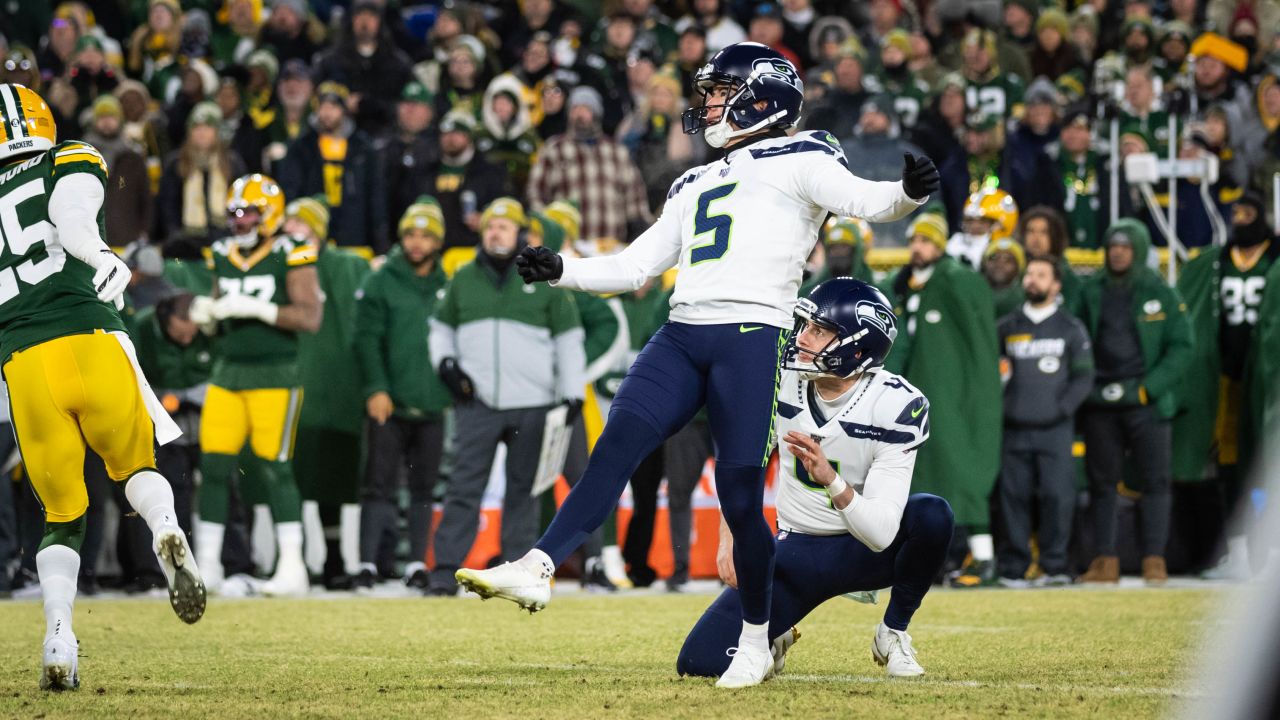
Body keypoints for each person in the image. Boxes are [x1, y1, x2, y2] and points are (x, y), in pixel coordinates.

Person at [456, 43, 935, 689]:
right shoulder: (693, 180)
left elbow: (867, 201)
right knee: (617, 442)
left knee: (740, 497)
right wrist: (565, 270)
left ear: (760, 95)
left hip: (752, 332)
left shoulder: (804, 156)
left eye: (718, 89)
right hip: (683, 330)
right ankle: (538, 564)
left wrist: (907, 192)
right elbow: (634, 266)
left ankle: (756, 641)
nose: (706, 101)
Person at [0, 82, 203, 691]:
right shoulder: (70, 155)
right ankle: (167, 529)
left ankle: (59, 638)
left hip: (23, 363)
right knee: (135, 466)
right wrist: (99, 255)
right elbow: (73, 219)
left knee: (62, 515)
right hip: (88, 334)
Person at [676, 279, 953, 679]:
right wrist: (729, 536)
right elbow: (741, 462)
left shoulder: (896, 403)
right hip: (796, 551)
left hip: (865, 550)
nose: (802, 338)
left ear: (858, 346)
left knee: (931, 515)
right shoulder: (782, 380)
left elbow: (880, 533)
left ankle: (892, 633)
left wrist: (831, 481)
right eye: (805, 326)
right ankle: (777, 634)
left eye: (818, 330)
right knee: (700, 662)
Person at [427, 197, 587, 597]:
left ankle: (518, 571)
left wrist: (571, 393)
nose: (496, 232)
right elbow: (440, 329)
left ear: (520, 233)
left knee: (523, 493)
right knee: (463, 486)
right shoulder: (462, 277)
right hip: (476, 401)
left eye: (504, 226)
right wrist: (446, 363)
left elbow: (570, 339)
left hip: (533, 403)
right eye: (490, 226)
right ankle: (444, 570)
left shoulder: (542, 279)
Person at [189, 173, 323, 597]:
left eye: (249, 213)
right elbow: (218, 313)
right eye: (235, 213)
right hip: (227, 374)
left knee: (275, 468)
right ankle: (207, 565)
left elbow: (310, 318)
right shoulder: (221, 253)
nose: (241, 221)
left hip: (275, 376)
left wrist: (258, 309)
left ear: (272, 215)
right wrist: (208, 316)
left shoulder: (292, 251)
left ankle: (292, 566)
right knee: (211, 467)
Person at [882, 212, 1001, 588]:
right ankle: (928, 561)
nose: (919, 247)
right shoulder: (904, 286)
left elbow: (977, 344)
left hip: (952, 397)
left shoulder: (958, 281)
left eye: (928, 241)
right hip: (917, 398)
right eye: (915, 240)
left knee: (963, 472)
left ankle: (984, 559)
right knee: (922, 479)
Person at [1074, 219, 1192, 585]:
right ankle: (1105, 560)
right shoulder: (1090, 289)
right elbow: (1075, 338)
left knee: (1156, 481)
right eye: (1113, 246)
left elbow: (1182, 346)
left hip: (1147, 402)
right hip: (1100, 402)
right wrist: (1087, 387)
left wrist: (1148, 389)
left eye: (1126, 246)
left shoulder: (1161, 290)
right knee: (1101, 483)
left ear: (1139, 249)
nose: (1119, 251)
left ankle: (1154, 559)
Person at [1173, 193, 1280, 578]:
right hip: (1228, 378)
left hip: (1267, 373)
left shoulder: (1274, 257)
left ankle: (1269, 551)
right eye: (1235, 213)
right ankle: (1236, 551)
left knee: (1268, 458)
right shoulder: (1218, 260)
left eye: (1248, 213)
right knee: (1230, 464)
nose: (1240, 220)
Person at [353, 198, 451, 591]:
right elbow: (366, 340)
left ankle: (415, 562)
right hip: (389, 401)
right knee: (378, 483)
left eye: (426, 235)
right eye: (411, 233)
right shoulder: (380, 279)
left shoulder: (448, 284)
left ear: (438, 241)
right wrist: (376, 387)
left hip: (431, 401)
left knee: (424, 487)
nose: (416, 242)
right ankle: (367, 563)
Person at [285, 197, 371, 590]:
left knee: (337, 478)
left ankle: (337, 559)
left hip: (340, 386)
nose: (293, 231)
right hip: (294, 382)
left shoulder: (347, 266)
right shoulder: (279, 265)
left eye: (301, 225)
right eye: (289, 225)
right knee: (292, 476)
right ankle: (293, 561)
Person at [996, 256, 1094, 587]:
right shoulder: (1007, 327)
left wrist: (1061, 409)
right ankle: (1014, 568)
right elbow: (992, 374)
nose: (1033, 280)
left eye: (1041, 275)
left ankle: (1054, 566)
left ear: (1056, 285)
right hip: (1014, 429)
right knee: (1013, 497)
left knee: (1057, 496)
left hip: (1055, 429)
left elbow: (1084, 378)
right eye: (1030, 274)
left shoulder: (1071, 327)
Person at [526, 84, 653, 243]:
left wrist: (640, 226)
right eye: (575, 109)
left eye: (585, 108)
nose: (579, 114)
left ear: (596, 113)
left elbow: (635, 196)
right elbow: (535, 193)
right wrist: (549, 226)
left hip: (611, 247)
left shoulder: (616, 151)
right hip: (568, 247)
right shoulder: (554, 148)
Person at [277, 82, 387, 252]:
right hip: (313, 229)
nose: (327, 113)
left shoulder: (363, 148)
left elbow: (375, 199)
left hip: (354, 234)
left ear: (344, 110)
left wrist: (380, 245)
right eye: (323, 106)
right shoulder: (301, 146)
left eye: (333, 107)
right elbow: (291, 191)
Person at [948, 187, 1019, 271]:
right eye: (970, 220)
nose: (974, 226)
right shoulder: (956, 241)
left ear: (1000, 225)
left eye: (983, 221)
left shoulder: (1004, 253)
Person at [983, 237, 1026, 318]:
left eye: (1008, 260)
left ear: (1018, 268)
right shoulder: (973, 293)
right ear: (984, 264)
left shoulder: (1025, 299)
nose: (999, 264)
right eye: (994, 258)